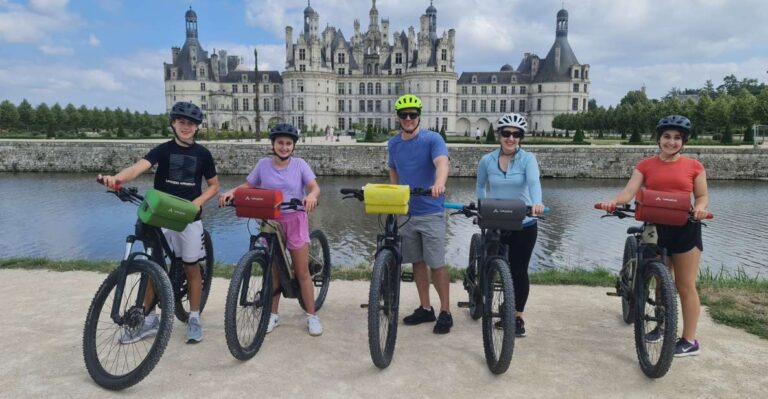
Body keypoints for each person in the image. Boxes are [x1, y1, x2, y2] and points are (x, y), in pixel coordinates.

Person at [99, 101, 219, 344]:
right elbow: (137, 168)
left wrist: (198, 202)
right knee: (155, 268)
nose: (186, 127)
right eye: (181, 122)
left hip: (188, 217)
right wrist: (116, 179)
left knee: (191, 267)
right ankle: (150, 319)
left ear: (197, 128)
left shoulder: (203, 154)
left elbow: (214, 186)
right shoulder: (163, 150)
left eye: (191, 124)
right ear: (173, 124)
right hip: (162, 216)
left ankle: (194, 317)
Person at [598, 115, 709, 357]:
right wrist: (613, 202)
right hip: (656, 227)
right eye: (667, 137)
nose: (671, 142)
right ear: (658, 139)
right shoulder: (645, 165)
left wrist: (700, 208)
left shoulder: (694, 166)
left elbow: (701, 196)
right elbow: (628, 192)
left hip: (685, 228)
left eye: (677, 138)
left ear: (684, 141)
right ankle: (661, 326)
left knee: (685, 285)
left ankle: (689, 340)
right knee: (661, 280)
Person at [219, 123, 323, 336]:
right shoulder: (263, 165)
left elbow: (314, 187)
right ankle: (273, 315)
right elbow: (248, 186)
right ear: (273, 144)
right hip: (270, 222)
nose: (284, 147)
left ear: (293, 146)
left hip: (294, 220)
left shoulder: (300, 165)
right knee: (272, 272)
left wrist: (311, 196)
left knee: (301, 271)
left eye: (288, 144)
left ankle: (312, 316)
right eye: (280, 143)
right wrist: (231, 191)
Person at [475, 113, 545, 337]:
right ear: (499, 135)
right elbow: (480, 187)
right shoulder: (487, 161)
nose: (511, 138)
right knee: (488, 265)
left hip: (523, 222)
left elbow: (534, 183)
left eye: (516, 135)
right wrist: (479, 206)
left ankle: (517, 317)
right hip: (495, 220)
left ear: (521, 138)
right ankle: (481, 294)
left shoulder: (528, 159)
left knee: (518, 270)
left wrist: (537, 202)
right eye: (506, 133)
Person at [387, 94, 452, 334]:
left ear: (419, 116)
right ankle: (426, 308)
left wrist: (439, 184)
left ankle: (445, 311)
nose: (408, 118)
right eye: (404, 115)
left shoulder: (432, 139)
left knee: (436, 263)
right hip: (407, 212)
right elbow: (393, 169)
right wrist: (394, 195)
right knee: (417, 262)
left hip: (431, 210)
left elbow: (442, 163)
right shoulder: (393, 144)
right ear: (398, 118)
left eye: (412, 114)